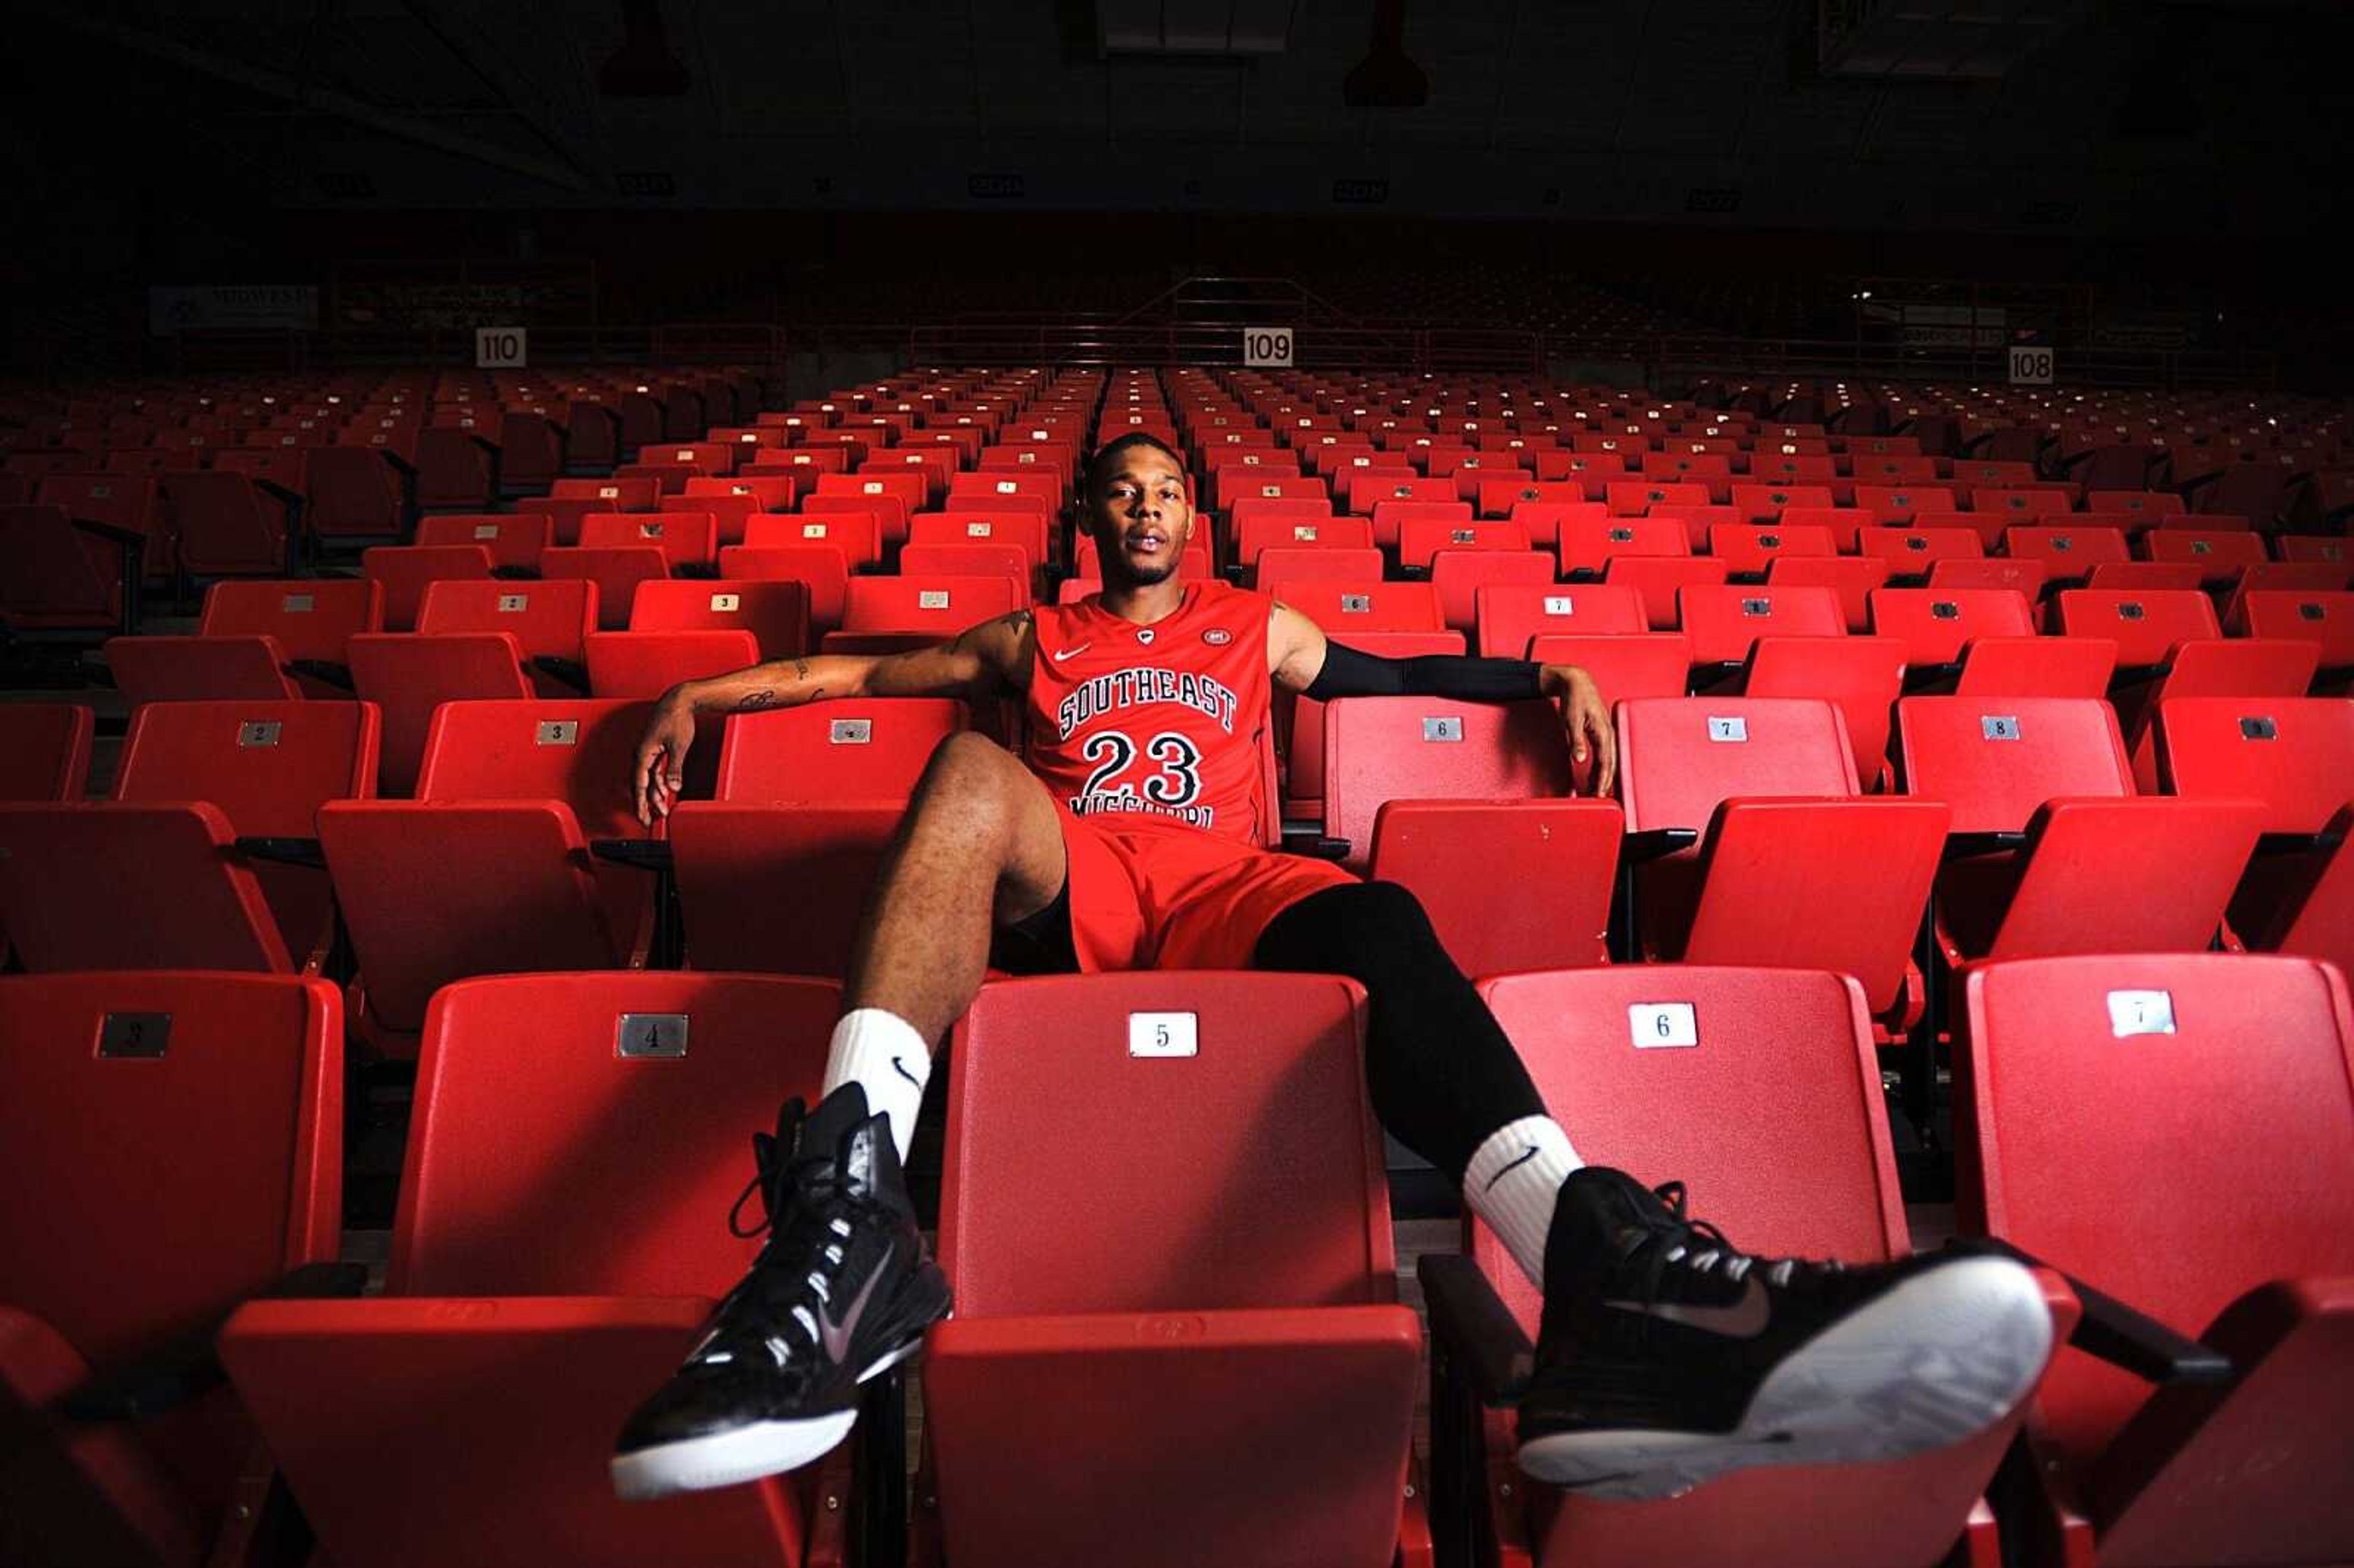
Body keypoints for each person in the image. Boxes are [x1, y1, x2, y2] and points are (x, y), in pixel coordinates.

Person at [608, 430, 2049, 1503]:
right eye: (1125, 489)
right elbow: (858, 678)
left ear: (1193, 515)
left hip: (1233, 884)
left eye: (1171, 488)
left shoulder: (1258, 624)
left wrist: (1545, 671)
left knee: (1374, 915)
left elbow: (1395, 673)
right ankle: (846, 1224)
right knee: (972, 776)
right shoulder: (1031, 634)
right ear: (1097, 518)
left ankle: (1609, 1275)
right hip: (1084, 880)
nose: (1150, 505)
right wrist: (693, 692)